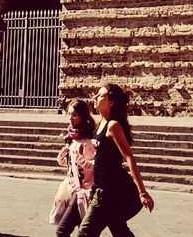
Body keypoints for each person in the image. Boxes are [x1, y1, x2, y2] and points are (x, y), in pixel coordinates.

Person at [76, 83, 153, 237]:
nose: (95, 97)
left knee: (85, 233)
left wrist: (142, 192)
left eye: (100, 95)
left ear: (111, 102)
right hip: (100, 187)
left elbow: (129, 157)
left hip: (109, 190)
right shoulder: (99, 124)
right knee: (119, 229)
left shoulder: (113, 126)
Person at [52, 98, 98, 237]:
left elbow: (96, 165)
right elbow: (73, 165)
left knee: (62, 231)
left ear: (82, 116)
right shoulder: (72, 137)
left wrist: (83, 161)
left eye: (74, 114)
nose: (70, 118)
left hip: (83, 191)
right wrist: (62, 159)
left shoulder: (88, 141)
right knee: (83, 232)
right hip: (72, 188)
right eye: (69, 114)